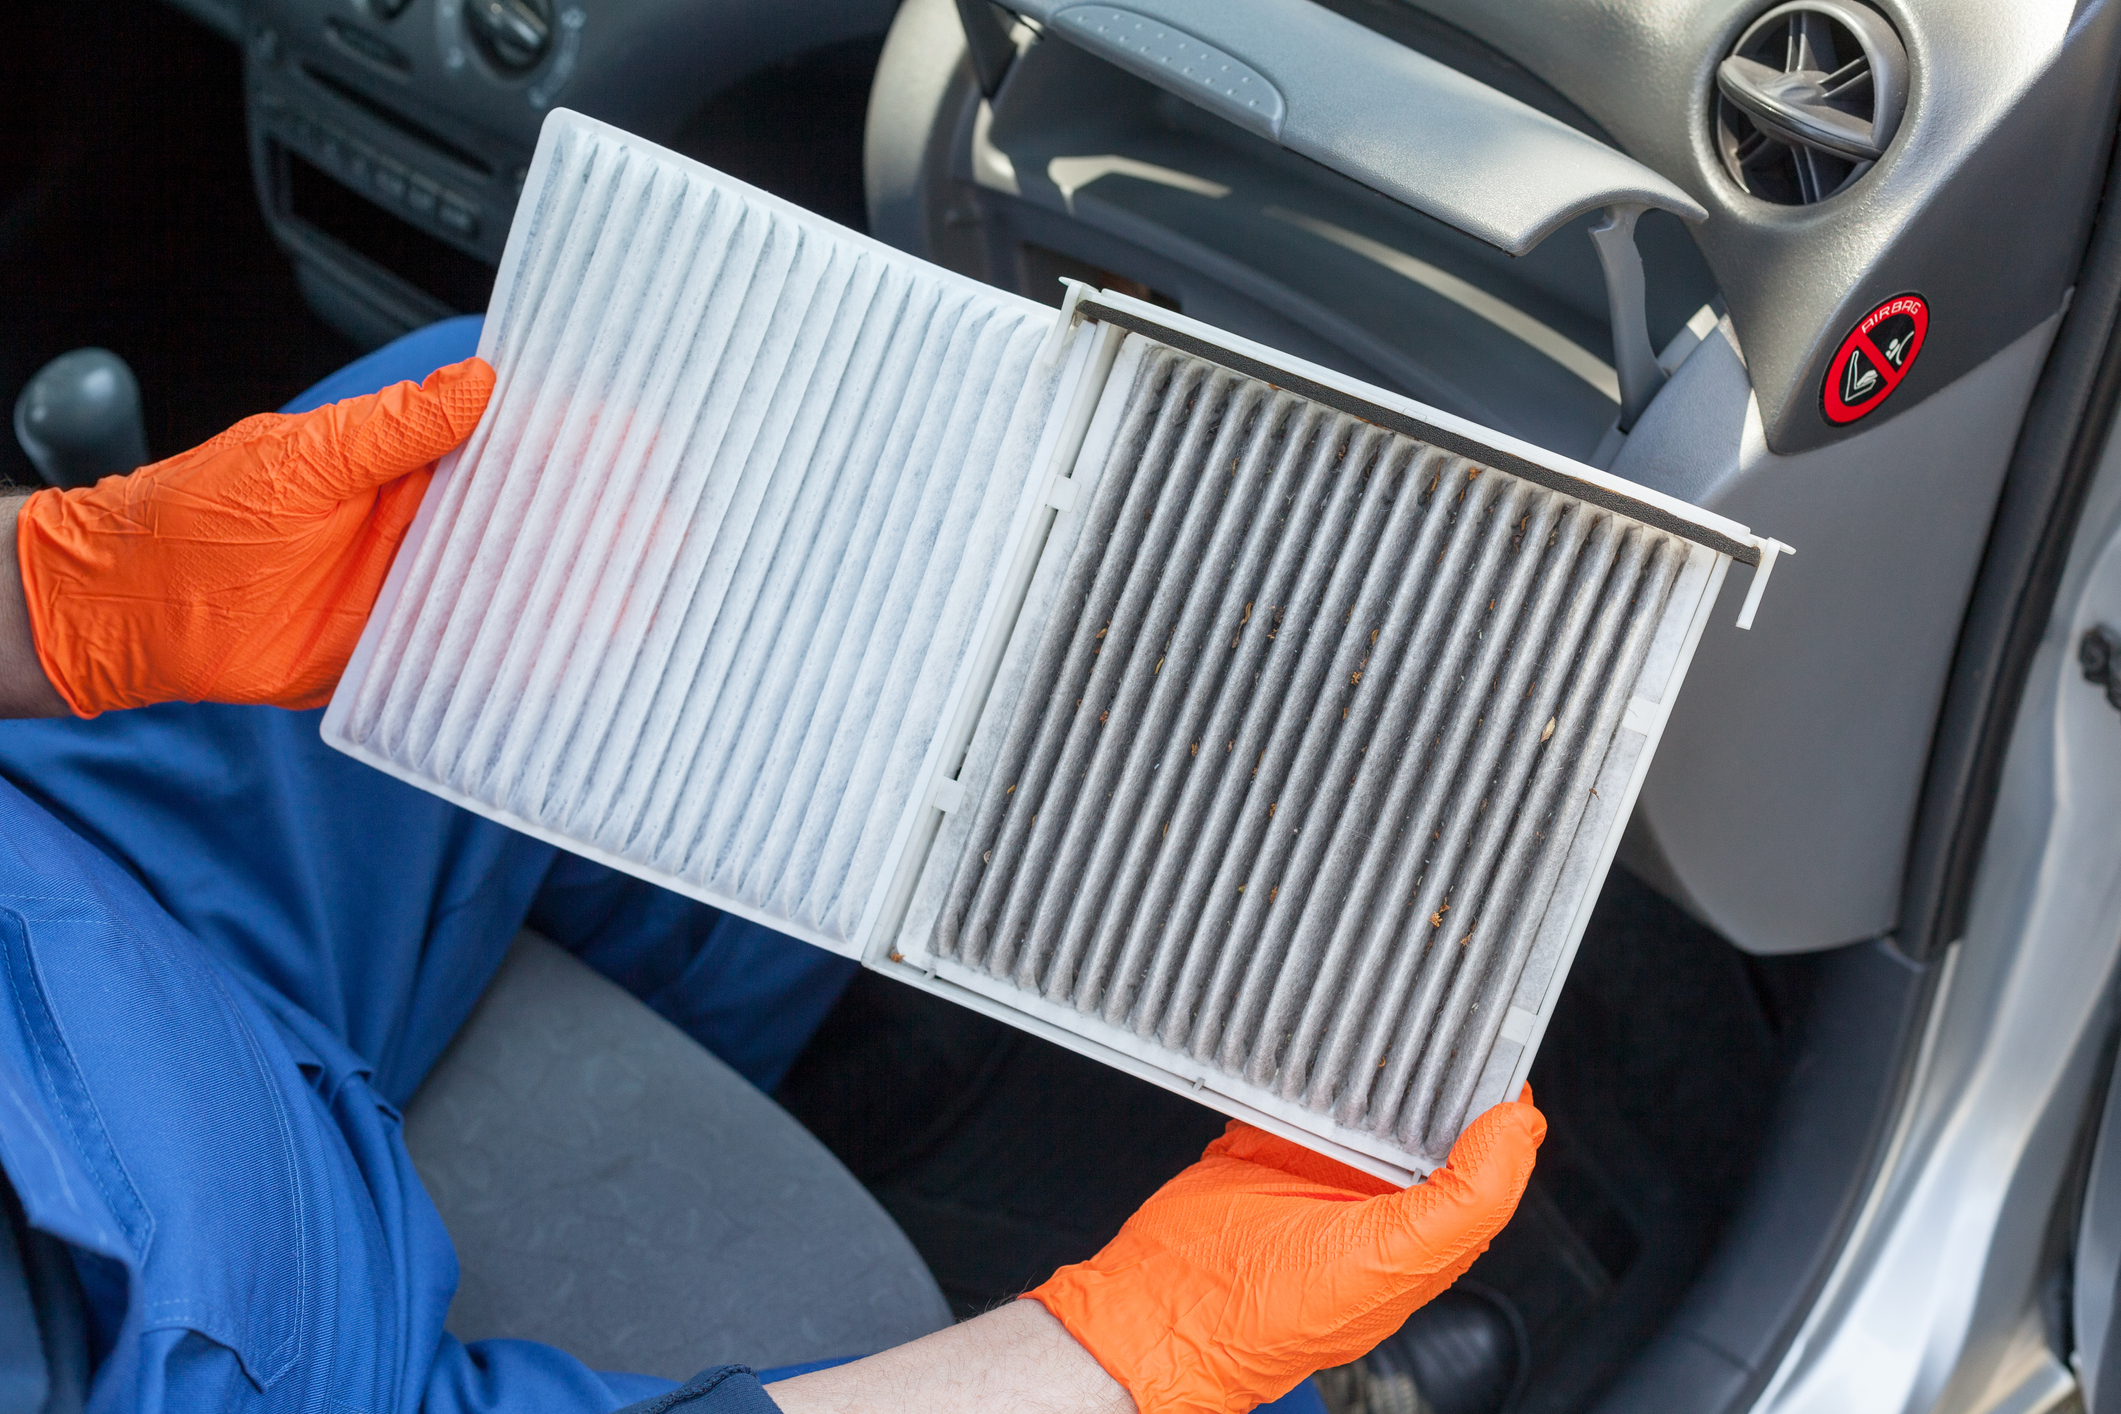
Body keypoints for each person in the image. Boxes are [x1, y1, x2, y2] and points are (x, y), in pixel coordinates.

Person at [0, 317, 1546, 1414]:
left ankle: (826, 1053)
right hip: (218, 1330)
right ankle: (1309, 1396)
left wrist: (59, 594)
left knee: (553, 447)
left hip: (71, 886)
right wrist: (1125, 1357)